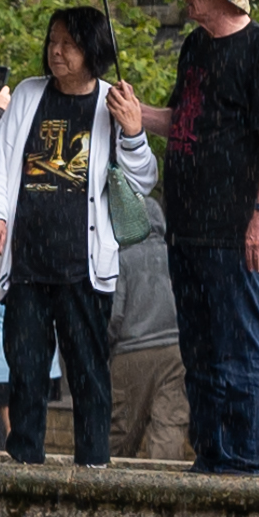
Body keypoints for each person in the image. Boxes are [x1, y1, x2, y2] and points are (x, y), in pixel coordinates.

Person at [147, 0, 259, 476]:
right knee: (200, 350)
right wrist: (136, 113)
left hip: (234, 229)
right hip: (185, 229)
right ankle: (211, 452)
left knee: (237, 346)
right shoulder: (194, 48)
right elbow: (183, 120)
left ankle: (244, 460)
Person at [0, 4, 129, 466]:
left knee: (88, 372)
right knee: (25, 371)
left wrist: (135, 131)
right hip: (28, 264)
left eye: (68, 43)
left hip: (83, 267)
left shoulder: (111, 101)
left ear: (91, 49)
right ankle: (25, 462)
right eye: (52, 41)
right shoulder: (27, 94)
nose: (56, 51)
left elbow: (139, 180)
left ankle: (94, 464)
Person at [101, 123, 190, 462]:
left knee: (120, 433)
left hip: (131, 354)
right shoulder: (175, 255)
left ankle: (106, 495)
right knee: (169, 426)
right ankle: (162, 495)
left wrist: (104, 346)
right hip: (175, 350)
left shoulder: (123, 257)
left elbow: (115, 314)